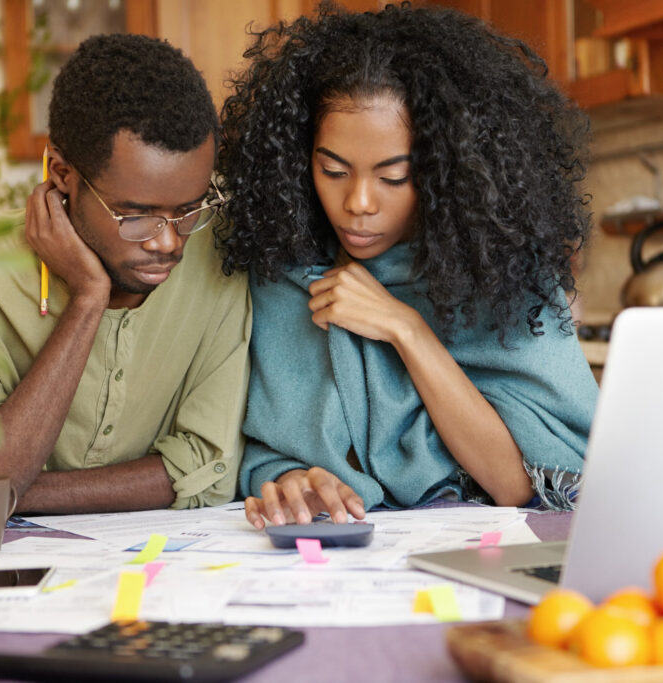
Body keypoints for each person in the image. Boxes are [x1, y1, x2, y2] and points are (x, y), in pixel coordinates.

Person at [216, 2, 599, 530]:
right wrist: (295, 480)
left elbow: (516, 484)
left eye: (393, 177)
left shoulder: (502, 277)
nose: (359, 203)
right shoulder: (282, 273)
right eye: (333, 170)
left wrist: (405, 327)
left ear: (447, 172)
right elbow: (267, 452)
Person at [0, 34, 251, 514]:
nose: (168, 241)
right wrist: (87, 298)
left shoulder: (221, 251)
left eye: (189, 209)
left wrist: (23, 492)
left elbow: (206, 470)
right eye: (136, 215)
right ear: (61, 173)